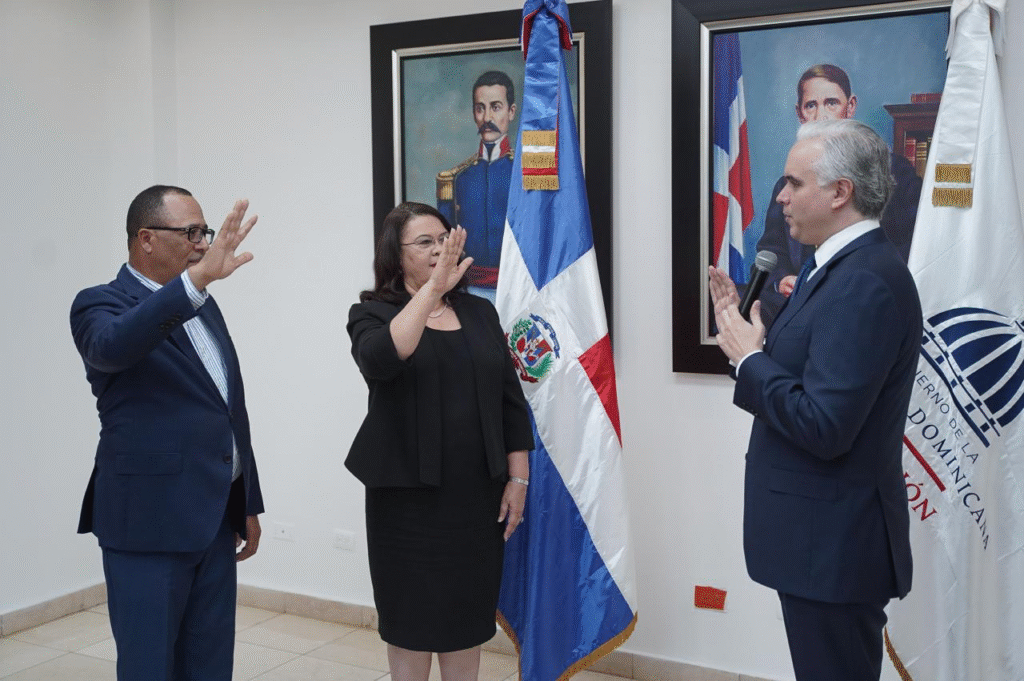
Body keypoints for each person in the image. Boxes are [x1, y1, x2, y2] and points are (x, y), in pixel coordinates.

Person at [709, 119, 921, 681]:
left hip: (835, 548)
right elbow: (806, 378)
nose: (780, 196)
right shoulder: (831, 267)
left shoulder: (865, 281)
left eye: (794, 183)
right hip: (816, 541)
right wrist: (746, 340)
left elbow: (825, 425)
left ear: (839, 192)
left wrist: (752, 360)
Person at [70, 185, 264, 681]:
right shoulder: (99, 304)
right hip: (147, 524)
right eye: (191, 232)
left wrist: (247, 501)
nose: (203, 244)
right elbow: (112, 347)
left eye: (205, 232)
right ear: (146, 239)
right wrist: (195, 283)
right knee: (150, 667)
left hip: (214, 518)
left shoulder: (204, 306)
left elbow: (228, 411)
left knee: (209, 664)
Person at [346, 202, 534, 681]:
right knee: (410, 623)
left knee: (466, 623)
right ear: (397, 254)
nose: (438, 249)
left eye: (444, 239)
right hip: (405, 501)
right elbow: (383, 358)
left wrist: (518, 478)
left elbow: (510, 401)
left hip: (476, 497)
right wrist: (431, 291)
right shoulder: (371, 312)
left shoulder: (479, 312)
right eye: (424, 242)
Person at [755, 63, 923, 328]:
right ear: (800, 114)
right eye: (811, 105)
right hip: (800, 314)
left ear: (850, 107)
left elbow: (914, 246)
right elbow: (771, 250)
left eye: (831, 103)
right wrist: (782, 279)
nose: (821, 116)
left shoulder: (895, 173)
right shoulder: (785, 187)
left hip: (865, 310)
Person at [437, 70, 517, 303]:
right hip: (467, 292)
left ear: (511, 112)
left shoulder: (525, 175)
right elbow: (445, 243)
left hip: (517, 292)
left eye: (496, 107)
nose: (487, 117)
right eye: (480, 108)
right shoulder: (458, 178)